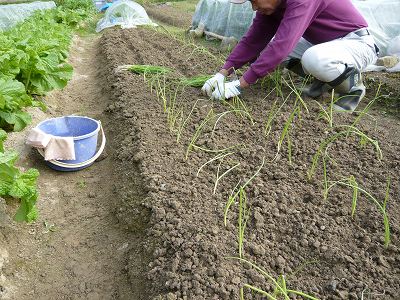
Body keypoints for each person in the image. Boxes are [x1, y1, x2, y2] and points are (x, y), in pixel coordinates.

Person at [201, 0, 379, 112]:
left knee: (312, 58)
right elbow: (253, 40)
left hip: (357, 43)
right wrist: (222, 73)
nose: (254, 7)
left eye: (254, 0)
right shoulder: (273, 7)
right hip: (325, 45)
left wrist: (240, 84)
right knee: (265, 51)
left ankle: (353, 88)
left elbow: (283, 45)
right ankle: (322, 84)